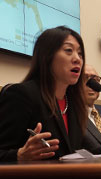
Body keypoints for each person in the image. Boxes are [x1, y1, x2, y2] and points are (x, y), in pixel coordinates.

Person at [0, 26, 86, 161]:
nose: (77, 59)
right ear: (47, 56)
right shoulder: (21, 95)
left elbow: (78, 151)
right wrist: (19, 155)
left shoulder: (74, 103)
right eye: (68, 51)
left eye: (80, 54)